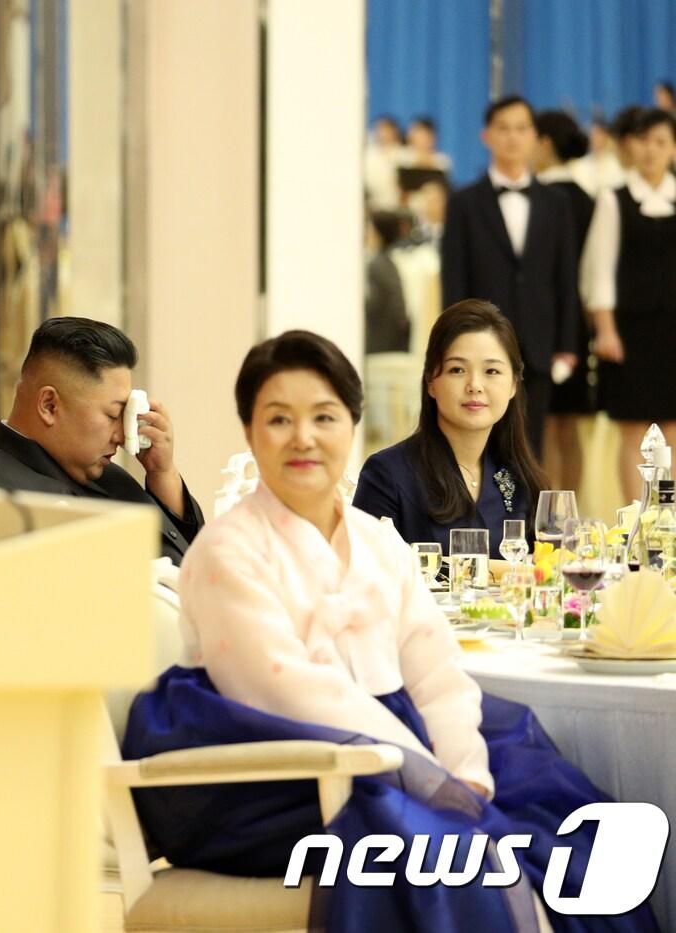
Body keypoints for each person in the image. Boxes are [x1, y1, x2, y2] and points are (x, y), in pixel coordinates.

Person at [122, 329, 658, 932]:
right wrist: (427, 773)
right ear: (249, 431)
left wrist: (468, 776)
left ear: (350, 426)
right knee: (456, 858)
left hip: (392, 742)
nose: (303, 438)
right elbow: (284, 689)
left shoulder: (377, 540)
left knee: (561, 809)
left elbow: (436, 673)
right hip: (281, 768)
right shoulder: (226, 549)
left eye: (323, 417)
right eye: (278, 419)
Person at [0, 317, 204, 564]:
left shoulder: (106, 475)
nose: (121, 436)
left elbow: (190, 563)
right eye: (113, 415)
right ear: (49, 406)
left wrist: (162, 474)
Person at [442, 94, 580, 452]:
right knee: (478, 443)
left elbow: (566, 278)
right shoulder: (464, 203)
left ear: (535, 137)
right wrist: (454, 343)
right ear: (486, 136)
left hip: (537, 345)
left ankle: (527, 510)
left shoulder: (556, 204)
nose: (513, 137)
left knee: (531, 446)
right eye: (503, 128)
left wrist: (567, 345)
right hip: (480, 346)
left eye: (521, 128)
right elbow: (454, 278)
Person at [353, 300, 543, 560]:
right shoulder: (387, 475)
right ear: (431, 381)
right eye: (457, 370)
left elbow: (545, 572)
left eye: (491, 371)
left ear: (513, 385)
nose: (475, 385)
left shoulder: (519, 476)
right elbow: (368, 578)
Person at [587, 107, 676, 503]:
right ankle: (635, 522)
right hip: (630, 332)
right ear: (631, 146)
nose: (652, 150)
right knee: (633, 431)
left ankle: (670, 524)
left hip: (673, 330)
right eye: (644, 141)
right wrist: (606, 330)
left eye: (661, 142)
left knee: (672, 431)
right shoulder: (614, 200)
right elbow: (599, 269)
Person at [532, 110, 598, 492]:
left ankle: (549, 515)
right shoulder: (587, 199)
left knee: (546, 424)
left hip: (547, 320)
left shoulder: (549, 199)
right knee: (568, 425)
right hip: (575, 322)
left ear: (543, 143)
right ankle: (568, 510)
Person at [364, 209, 410, 353]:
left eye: (369, 229)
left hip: (381, 343)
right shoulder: (388, 261)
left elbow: (373, 304)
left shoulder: (376, 264)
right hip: (391, 341)